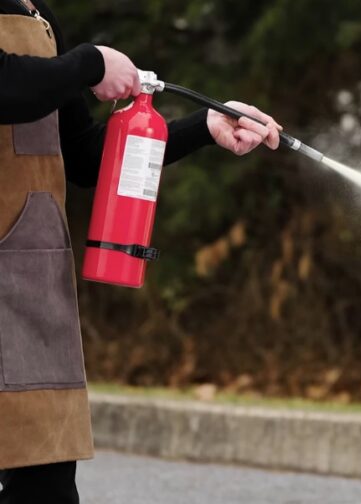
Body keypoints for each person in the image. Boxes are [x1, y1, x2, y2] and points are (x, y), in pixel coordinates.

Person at [0, 1, 281, 502]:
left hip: (32, 288)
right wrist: (90, 64)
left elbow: (84, 156)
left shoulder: (35, 14)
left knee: (45, 484)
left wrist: (203, 126)